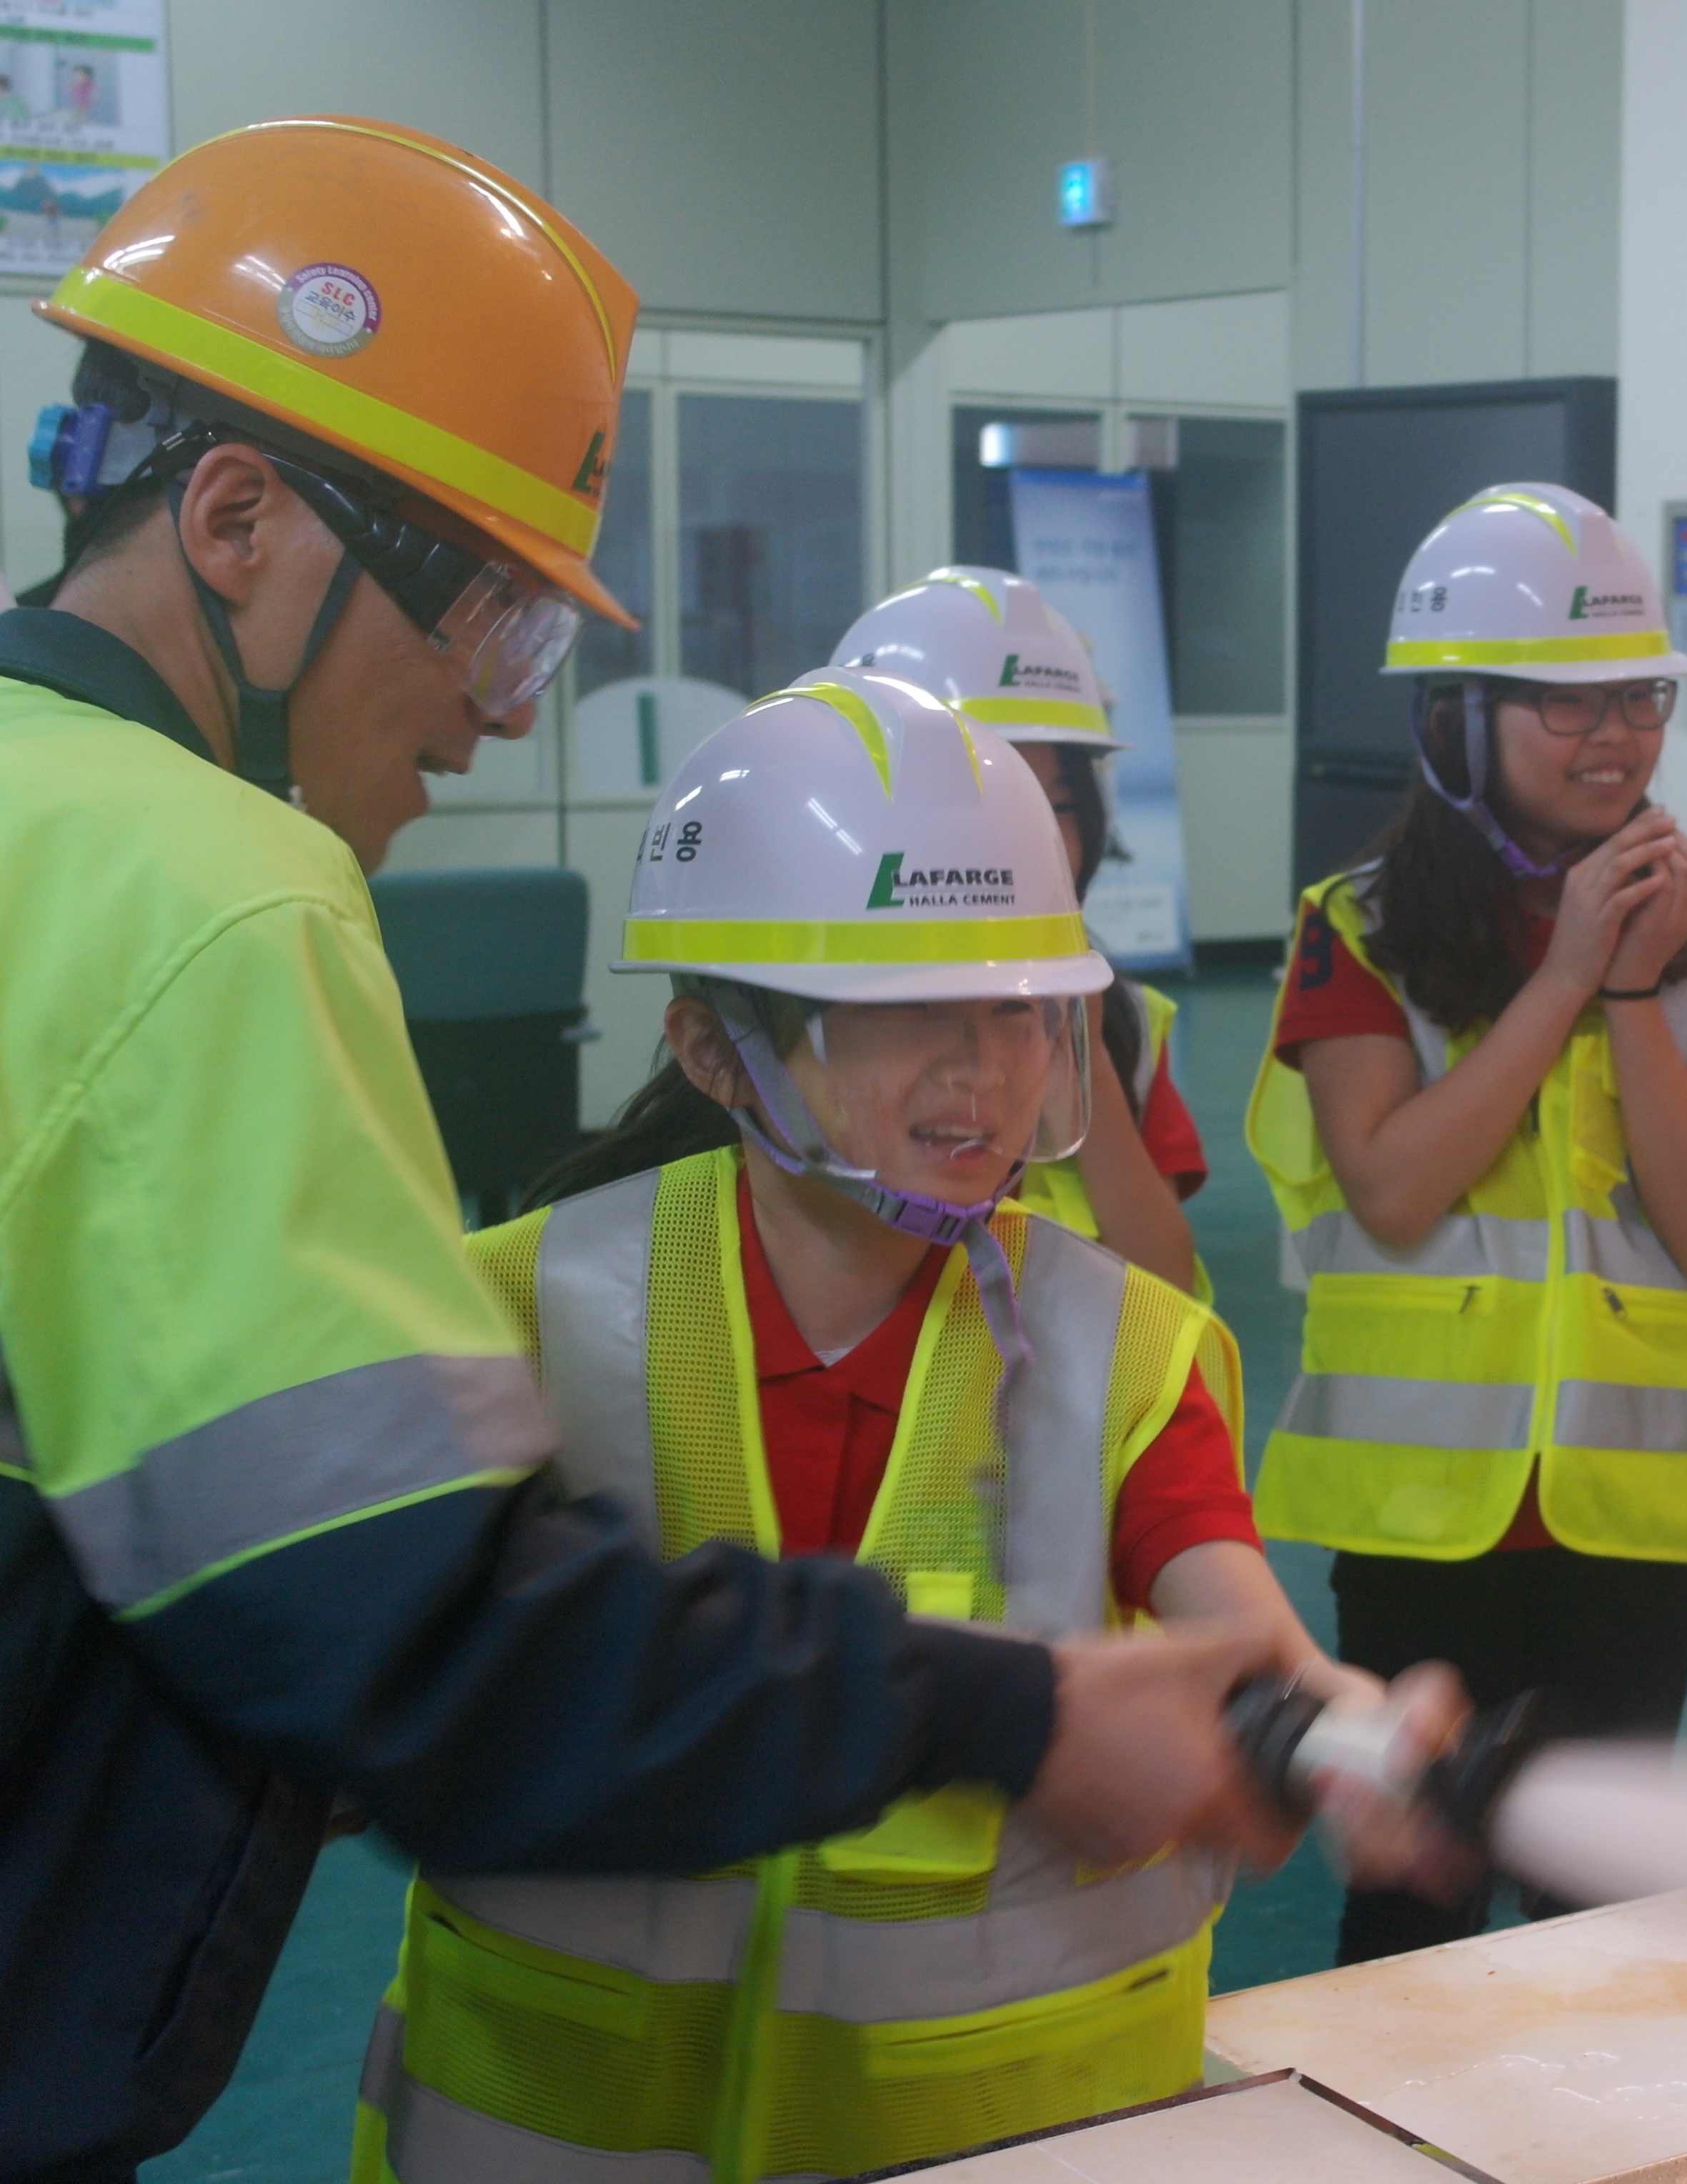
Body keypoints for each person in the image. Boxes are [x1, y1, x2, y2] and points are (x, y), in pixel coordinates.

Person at [0, 119, 1308, 2183]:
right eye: (489, 620)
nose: (505, 714)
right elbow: (402, 1625)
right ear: (235, 517)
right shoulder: (213, 893)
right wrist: (1012, 1712)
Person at [357, 672, 1377, 2182]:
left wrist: (1339, 1727)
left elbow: (1241, 1631)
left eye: (1019, 1010)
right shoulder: (514, 1307)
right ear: (714, 1051)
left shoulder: (1123, 1346)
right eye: (904, 1013)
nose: (982, 1071)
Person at [1247, 482, 1687, 1962]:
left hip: (1631, 1511)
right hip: (1422, 1508)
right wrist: (1563, 978)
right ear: (1453, 717)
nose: (1615, 736)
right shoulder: (1353, 926)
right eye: (1565, 702)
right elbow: (1394, 1185)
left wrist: (1632, 984)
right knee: (1412, 1892)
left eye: (1639, 698)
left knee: (1602, 1899)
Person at [837, 565, 1206, 1296]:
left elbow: (1167, 1293)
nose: (1036, 843)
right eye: (992, 799)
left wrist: (1083, 1057)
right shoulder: (812, 1018)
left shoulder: (1126, 1021)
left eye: (1058, 804)